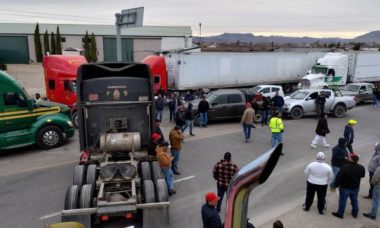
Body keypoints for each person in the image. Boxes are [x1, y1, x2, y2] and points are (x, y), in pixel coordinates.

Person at [332, 153, 365, 219]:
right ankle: (355, 213)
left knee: (342, 200)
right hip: (355, 188)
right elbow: (362, 175)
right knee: (354, 200)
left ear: (351, 159)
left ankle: (340, 213)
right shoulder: (361, 167)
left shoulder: (345, 167)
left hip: (345, 188)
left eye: (349, 158)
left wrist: (336, 185)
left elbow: (339, 177)